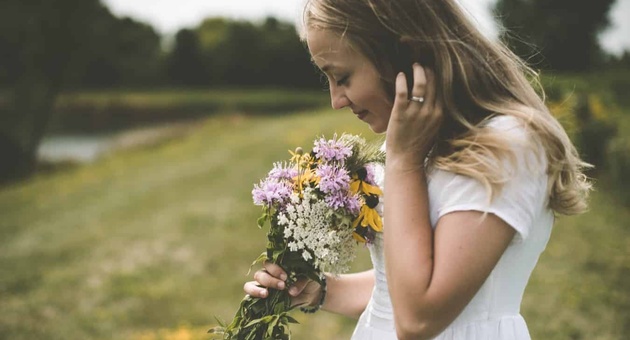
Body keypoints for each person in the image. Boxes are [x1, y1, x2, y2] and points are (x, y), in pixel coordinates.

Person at [244, 0, 592, 339]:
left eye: (343, 77)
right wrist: (320, 291)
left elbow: (418, 319)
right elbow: (394, 286)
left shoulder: (503, 148)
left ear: (402, 55)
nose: (336, 100)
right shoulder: (413, 144)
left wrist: (403, 161)